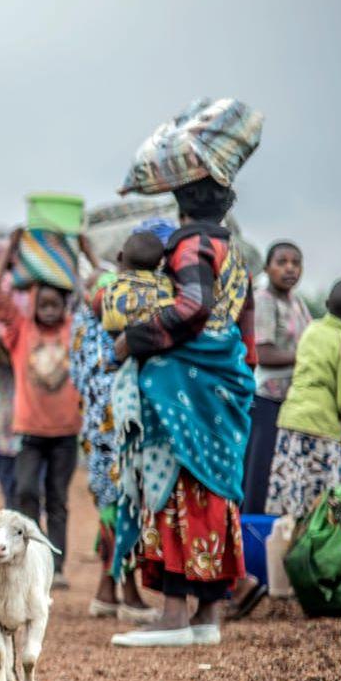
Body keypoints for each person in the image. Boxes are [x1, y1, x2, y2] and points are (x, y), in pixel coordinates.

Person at [110, 177, 256, 648]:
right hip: (224, 381)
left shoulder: (192, 244)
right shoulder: (235, 252)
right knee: (214, 490)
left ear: (180, 202)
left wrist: (132, 340)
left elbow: (193, 307)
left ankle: (174, 614)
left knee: (176, 482)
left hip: (188, 382)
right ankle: (208, 613)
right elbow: (244, 333)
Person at [0, 228, 82, 586]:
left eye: (55, 305)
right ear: (33, 305)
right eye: (42, 304)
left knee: (58, 499)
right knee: (25, 492)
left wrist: (81, 254)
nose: (48, 310)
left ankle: (54, 567)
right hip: (29, 432)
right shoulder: (21, 331)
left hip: (66, 434)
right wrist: (10, 249)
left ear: (64, 306)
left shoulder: (75, 330)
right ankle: (31, 557)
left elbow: (92, 303)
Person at [73, 233, 157, 622]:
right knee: (122, 501)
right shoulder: (118, 293)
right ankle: (126, 590)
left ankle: (107, 589)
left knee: (111, 501)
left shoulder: (90, 299)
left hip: (94, 417)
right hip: (116, 416)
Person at [266, 280, 341, 519]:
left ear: (326, 304)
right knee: (319, 510)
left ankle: (279, 553)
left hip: (290, 422)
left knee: (290, 503)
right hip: (319, 430)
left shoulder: (312, 329)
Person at [242, 242, 311, 514]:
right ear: (267, 268)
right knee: (260, 474)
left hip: (291, 402)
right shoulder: (264, 300)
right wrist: (310, 357)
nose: (290, 268)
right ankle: (251, 541)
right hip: (265, 399)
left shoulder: (297, 303)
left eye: (296, 262)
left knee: (281, 475)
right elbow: (263, 352)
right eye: (281, 262)